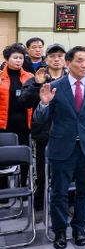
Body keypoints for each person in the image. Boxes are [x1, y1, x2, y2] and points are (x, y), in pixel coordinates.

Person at [34, 46, 85, 249]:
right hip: (61, 147)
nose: (84, 65)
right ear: (68, 63)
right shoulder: (54, 87)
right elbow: (39, 120)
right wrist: (44, 104)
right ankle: (59, 230)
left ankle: (79, 228)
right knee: (59, 192)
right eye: (79, 60)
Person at [21, 43, 67, 212]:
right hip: (43, 133)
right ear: (46, 60)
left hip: (66, 133)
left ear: (65, 60)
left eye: (60, 56)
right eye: (52, 56)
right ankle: (40, 204)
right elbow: (23, 101)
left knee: (66, 172)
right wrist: (36, 85)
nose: (56, 59)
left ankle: (67, 202)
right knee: (42, 173)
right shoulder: (37, 78)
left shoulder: (71, 79)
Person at [0, 43, 34, 187]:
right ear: (7, 59)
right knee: (4, 157)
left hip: (24, 123)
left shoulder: (30, 77)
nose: (18, 60)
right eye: (15, 58)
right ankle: (3, 187)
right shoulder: (0, 77)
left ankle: (24, 184)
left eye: (21, 58)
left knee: (23, 154)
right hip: (4, 123)